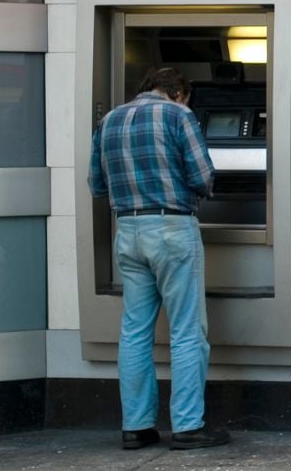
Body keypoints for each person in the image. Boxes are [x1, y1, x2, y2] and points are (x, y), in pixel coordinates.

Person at [88, 67, 230, 450]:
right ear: (179, 92)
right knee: (186, 330)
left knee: (134, 331)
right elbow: (203, 176)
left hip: (128, 231)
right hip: (170, 228)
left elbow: (96, 185)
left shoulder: (109, 120)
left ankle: (136, 427)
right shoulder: (178, 115)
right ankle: (187, 427)